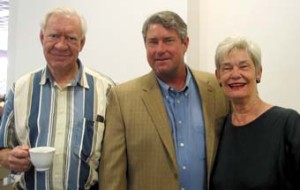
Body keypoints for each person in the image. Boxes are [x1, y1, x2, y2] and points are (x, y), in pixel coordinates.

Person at [99, 10, 229, 190]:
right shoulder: (122, 98)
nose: (160, 50)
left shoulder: (216, 88)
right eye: (152, 42)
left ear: (185, 44)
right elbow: (112, 174)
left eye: (168, 40)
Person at [0, 7, 114, 190]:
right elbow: (3, 147)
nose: (61, 45)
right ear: (42, 37)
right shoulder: (20, 88)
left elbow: (116, 157)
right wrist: (9, 157)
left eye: (70, 38)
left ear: (82, 43)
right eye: (53, 36)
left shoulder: (106, 90)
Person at [210, 36, 300, 189]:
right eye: (227, 68)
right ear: (218, 76)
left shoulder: (288, 123)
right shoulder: (219, 129)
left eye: (244, 66)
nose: (235, 74)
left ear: (258, 72)